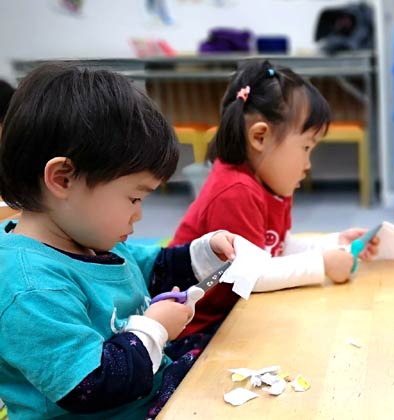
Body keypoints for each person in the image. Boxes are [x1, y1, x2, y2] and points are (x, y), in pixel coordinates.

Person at [0, 63, 236, 420]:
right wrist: (155, 328)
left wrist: (205, 252)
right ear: (63, 179)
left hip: (147, 389)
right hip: (113, 406)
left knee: (234, 349)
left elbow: (153, 269)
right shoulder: (29, 288)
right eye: (134, 198)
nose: (139, 215)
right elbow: (90, 385)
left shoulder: (93, 239)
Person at [168, 59, 378, 346]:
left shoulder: (265, 186)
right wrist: (323, 264)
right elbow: (253, 275)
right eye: (305, 148)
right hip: (194, 336)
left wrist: (334, 242)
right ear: (260, 136)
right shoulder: (235, 190)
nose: (307, 164)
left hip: (231, 320)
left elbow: (276, 246)